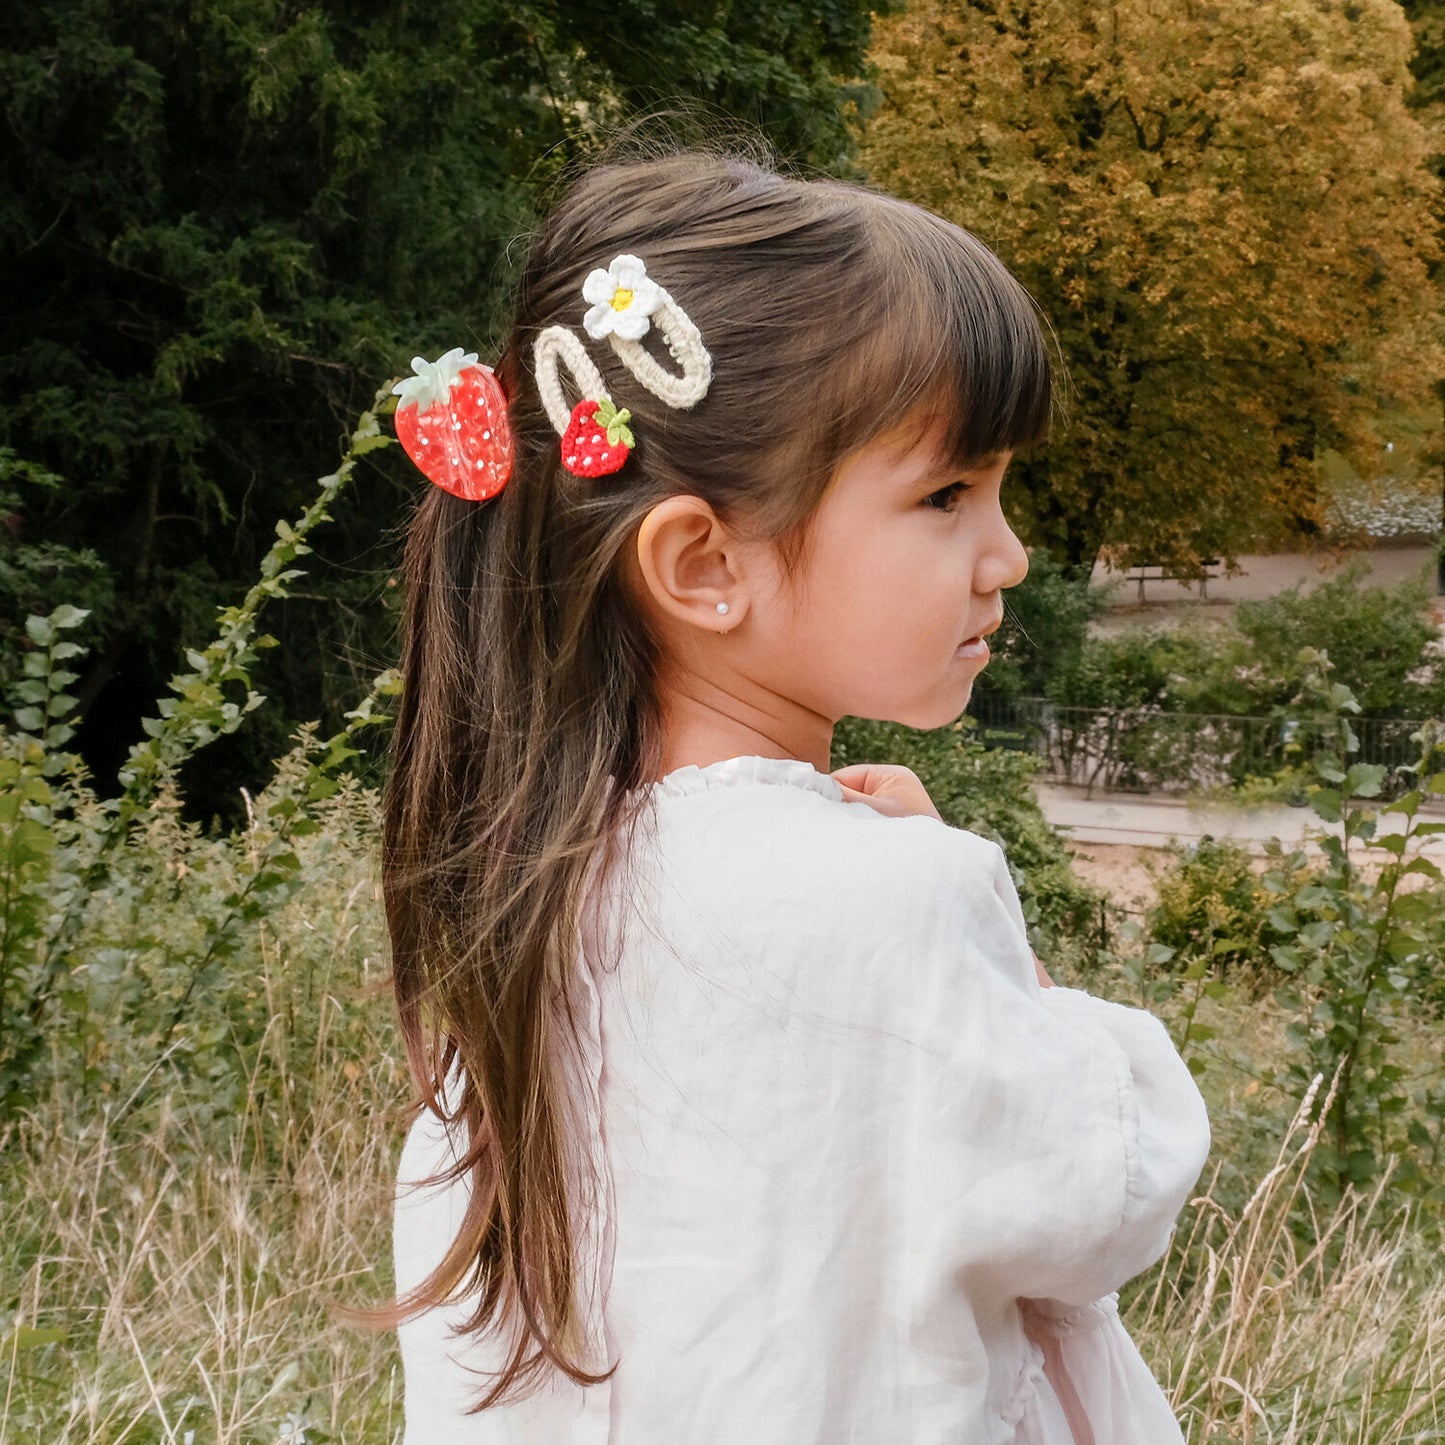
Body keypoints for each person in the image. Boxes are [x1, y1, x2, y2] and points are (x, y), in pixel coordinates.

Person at [381, 144, 1211, 1444]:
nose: (1009, 552)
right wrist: (1026, 981)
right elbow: (1107, 1186)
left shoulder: (523, 911)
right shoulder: (896, 895)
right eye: (945, 493)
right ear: (704, 563)